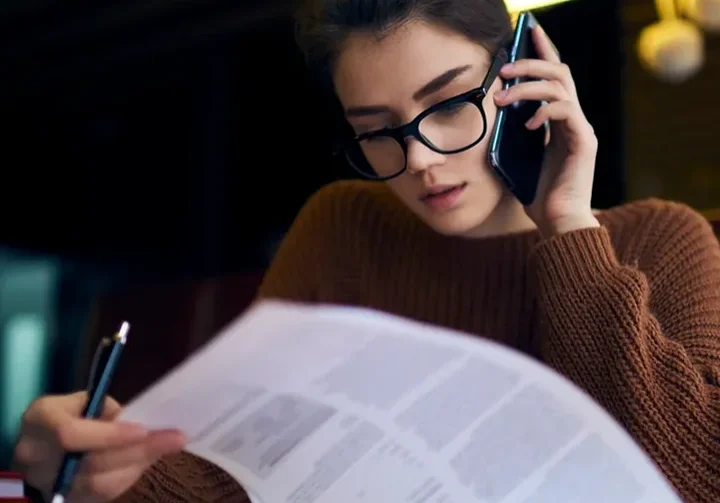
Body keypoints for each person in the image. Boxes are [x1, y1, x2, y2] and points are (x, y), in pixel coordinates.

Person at [13, 0, 720, 501]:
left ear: (525, 79)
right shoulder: (344, 226)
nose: (419, 159)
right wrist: (105, 475)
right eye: (378, 129)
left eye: (447, 105)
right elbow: (236, 479)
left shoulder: (662, 238)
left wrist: (566, 223)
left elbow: (692, 479)